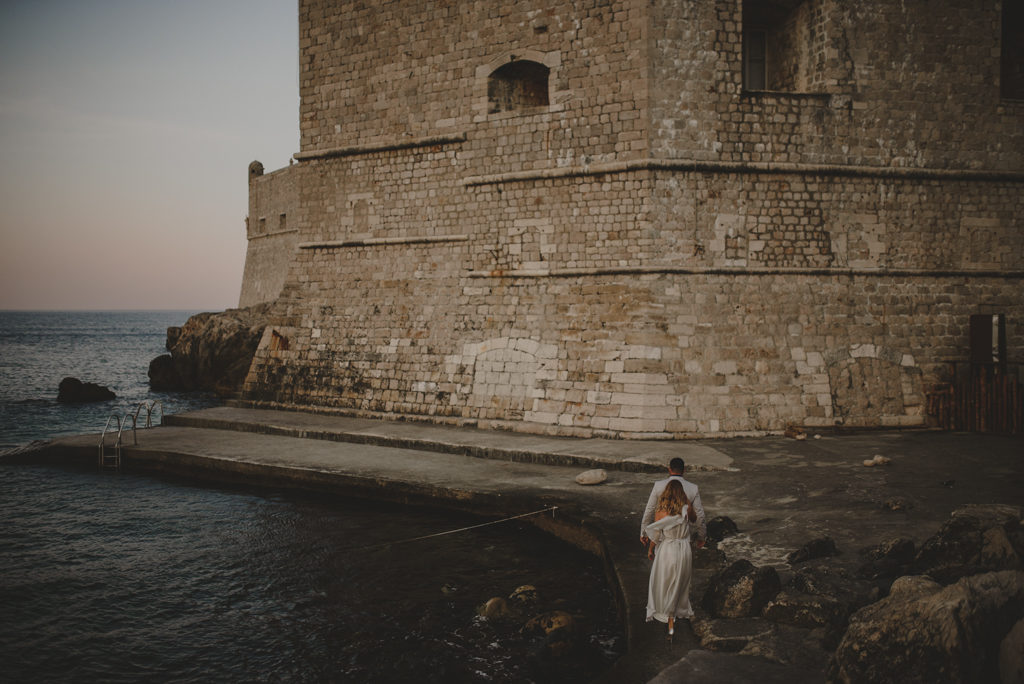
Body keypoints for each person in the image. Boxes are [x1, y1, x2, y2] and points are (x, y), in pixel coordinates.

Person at [644, 479, 697, 639]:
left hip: (667, 549)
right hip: (683, 549)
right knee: (680, 582)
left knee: (665, 582)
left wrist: (651, 549)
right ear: (682, 493)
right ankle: (672, 617)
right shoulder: (686, 509)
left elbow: (657, 534)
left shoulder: (660, 511)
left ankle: (669, 619)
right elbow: (694, 520)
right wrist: (687, 502)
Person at [640, 457, 706, 550]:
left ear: (669, 469)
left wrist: (644, 532)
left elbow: (649, 510)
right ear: (684, 470)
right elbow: (699, 515)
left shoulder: (658, 485)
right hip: (684, 540)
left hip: (664, 539)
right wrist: (701, 536)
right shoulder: (693, 488)